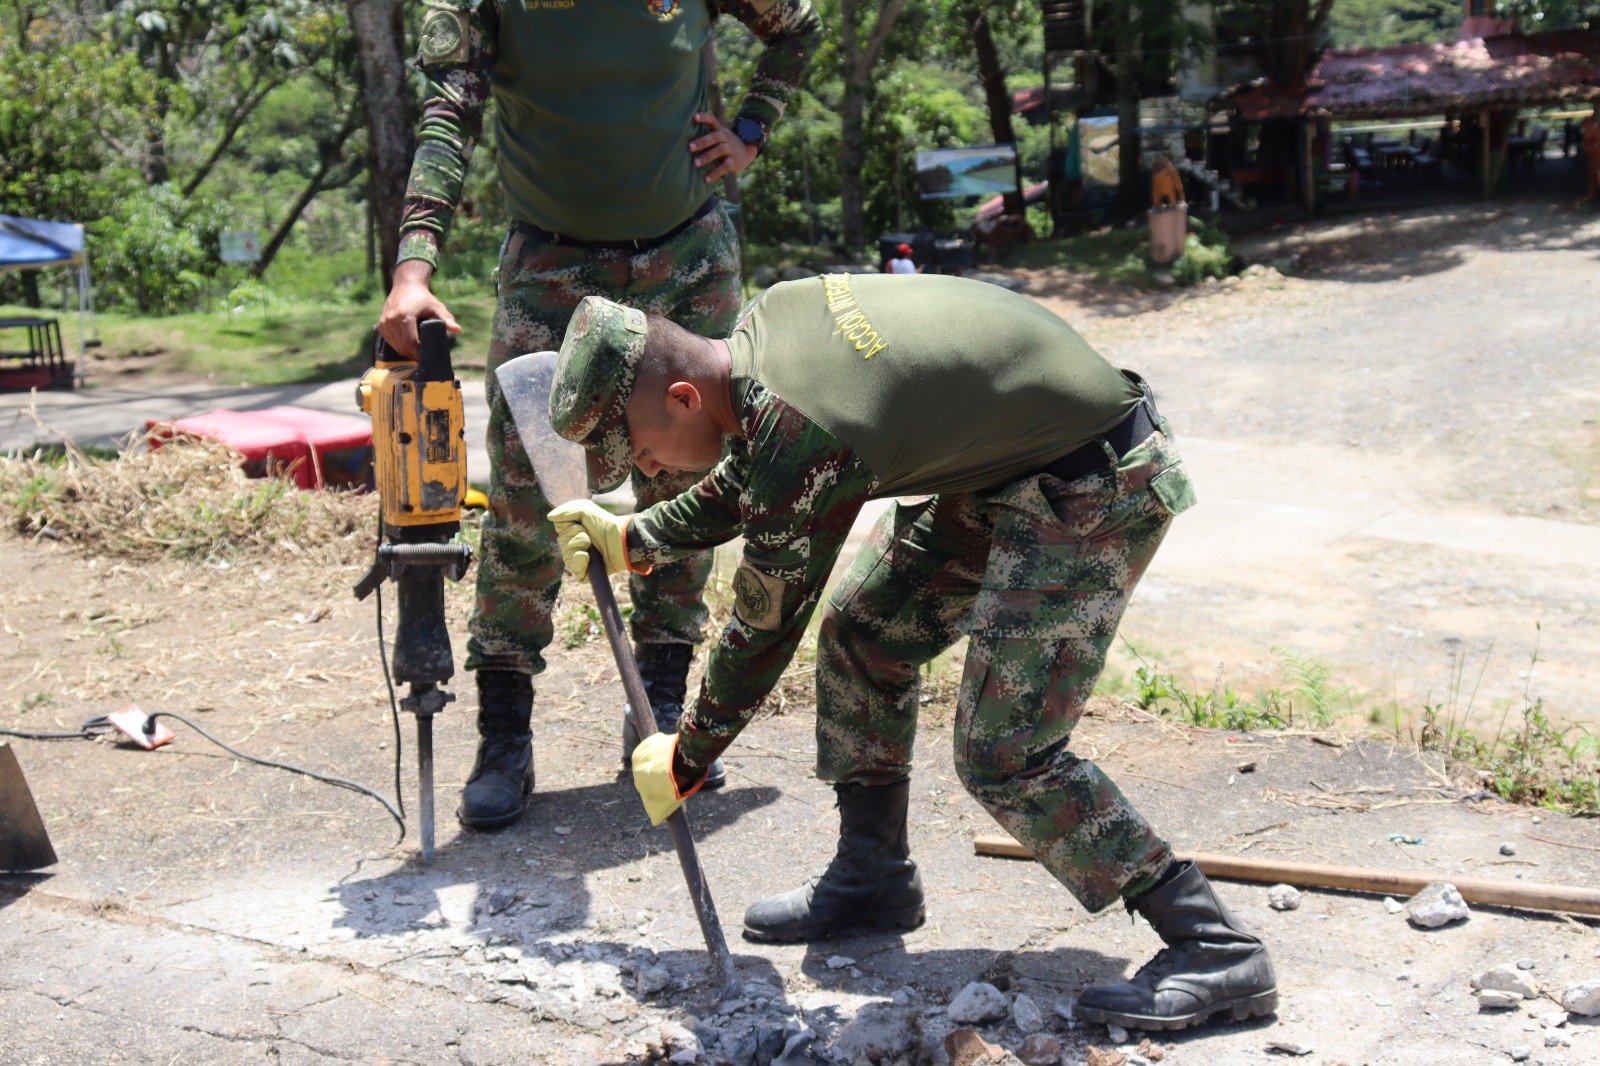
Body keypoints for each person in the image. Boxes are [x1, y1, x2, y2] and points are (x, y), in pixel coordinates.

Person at [543, 275, 1278, 1032]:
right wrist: (638, 536)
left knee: (1007, 754)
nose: (651, 470)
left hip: (1094, 483)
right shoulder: (766, 332)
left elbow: (764, 624)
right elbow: (757, 476)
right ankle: (874, 877)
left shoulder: (801, 422)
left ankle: (1212, 944)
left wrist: (687, 757)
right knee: (866, 633)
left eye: (641, 448)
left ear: (685, 399)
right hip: (1009, 469)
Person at [375, 0, 823, 830]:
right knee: (523, 504)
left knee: (688, 483)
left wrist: (752, 128)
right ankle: (504, 732)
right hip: (553, 264)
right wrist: (413, 267)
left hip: (688, 256)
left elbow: (798, 24)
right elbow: (449, 115)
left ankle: (660, 717)